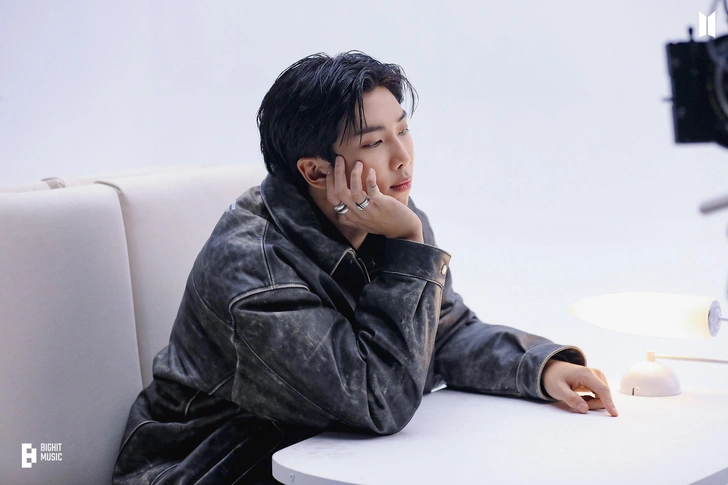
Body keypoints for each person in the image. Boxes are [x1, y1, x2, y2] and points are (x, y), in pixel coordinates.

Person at [113, 51, 618, 485]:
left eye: (404, 130)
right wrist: (408, 244)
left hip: (319, 457)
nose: (402, 158)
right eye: (375, 142)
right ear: (315, 171)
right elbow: (379, 401)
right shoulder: (253, 272)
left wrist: (539, 367)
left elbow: (441, 332)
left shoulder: (386, 217)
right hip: (208, 470)